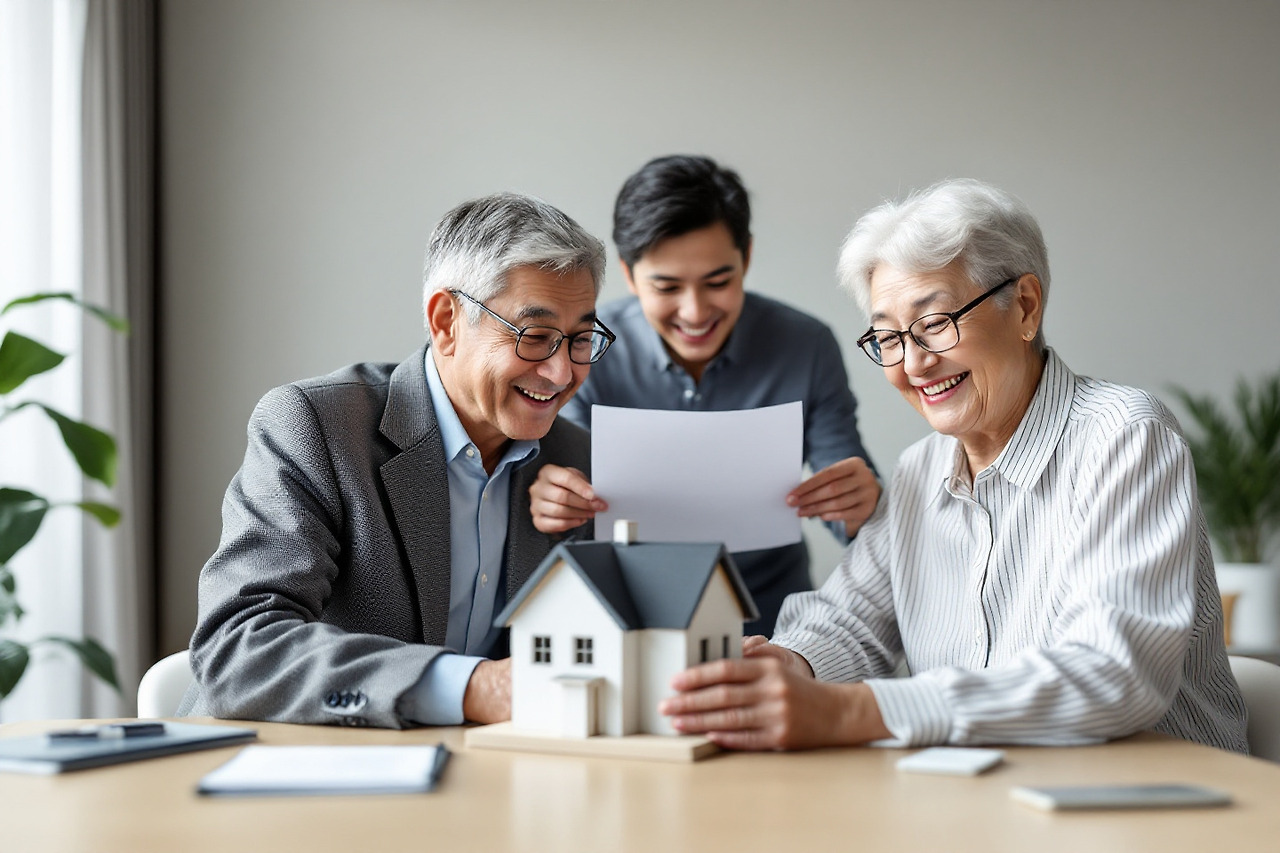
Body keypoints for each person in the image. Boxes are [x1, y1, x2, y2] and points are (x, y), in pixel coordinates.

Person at [657, 178, 1249, 753]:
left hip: (1159, 797)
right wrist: (789, 664)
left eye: (935, 323)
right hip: (988, 796)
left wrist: (852, 711)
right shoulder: (919, 470)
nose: (913, 363)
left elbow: (1111, 675)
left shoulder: (1123, 438)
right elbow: (849, 620)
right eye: (888, 338)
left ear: (1025, 306)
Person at [178, 193, 612, 728]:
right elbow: (239, 649)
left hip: (485, 764)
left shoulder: (574, 458)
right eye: (536, 336)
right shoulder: (315, 426)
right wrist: (476, 687)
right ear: (447, 322)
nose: (562, 373)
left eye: (580, 340)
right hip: (299, 759)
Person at [529, 155, 880, 636]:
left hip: (773, 624)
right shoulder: (585, 349)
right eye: (667, 287)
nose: (694, 312)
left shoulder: (807, 346)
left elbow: (856, 513)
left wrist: (863, 504)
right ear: (629, 274)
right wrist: (550, 499)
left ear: (746, 258)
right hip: (625, 620)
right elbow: (565, 489)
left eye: (718, 282)